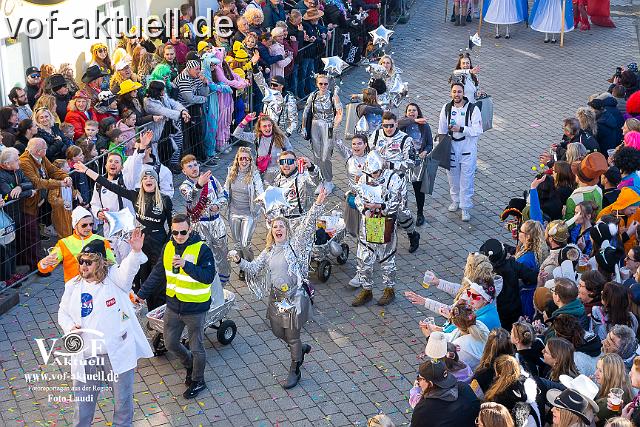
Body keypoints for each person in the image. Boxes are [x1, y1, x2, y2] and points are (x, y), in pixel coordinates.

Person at [231, 188, 326, 389]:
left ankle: (295, 368)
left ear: (287, 230)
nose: (279, 229)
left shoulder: (296, 244)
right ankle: (299, 348)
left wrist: (317, 204)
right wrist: (240, 261)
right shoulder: (268, 251)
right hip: (278, 297)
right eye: (275, 227)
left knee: (291, 335)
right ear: (271, 231)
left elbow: (308, 224)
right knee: (277, 331)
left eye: (282, 226)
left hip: (295, 296)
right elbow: (253, 268)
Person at [57, 231, 153, 427]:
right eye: (81, 261)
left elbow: (128, 269)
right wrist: (69, 327)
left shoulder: (115, 279)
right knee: (82, 408)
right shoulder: (73, 286)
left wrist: (135, 251)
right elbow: (62, 312)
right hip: (86, 356)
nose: (83, 266)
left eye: (88, 262)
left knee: (123, 406)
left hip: (115, 354)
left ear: (100, 262)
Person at [136, 214, 217, 399]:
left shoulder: (202, 249)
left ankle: (198, 380)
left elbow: (208, 277)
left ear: (190, 229)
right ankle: (189, 363)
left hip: (195, 308)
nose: (179, 236)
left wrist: (186, 265)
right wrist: (141, 294)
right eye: (175, 232)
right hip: (173, 306)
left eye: (183, 232)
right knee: (171, 343)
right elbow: (158, 273)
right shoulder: (168, 246)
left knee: (197, 347)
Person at [74, 161, 172, 309]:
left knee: (158, 280)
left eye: (151, 178)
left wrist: (168, 244)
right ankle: (152, 313)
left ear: (156, 182)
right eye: (145, 178)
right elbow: (109, 185)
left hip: (159, 243)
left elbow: (172, 225)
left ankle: (162, 311)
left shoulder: (165, 200)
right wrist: (87, 170)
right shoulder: (136, 195)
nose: (148, 180)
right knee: (143, 278)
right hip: (142, 243)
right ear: (141, 182)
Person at [351, 151, 404, 307]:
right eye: (370, 172)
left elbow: (397, 202)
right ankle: (366, 290)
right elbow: (358, 198)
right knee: (363, 259)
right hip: (367, 224)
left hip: (386, 222)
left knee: (387, 260)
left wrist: (381, 206)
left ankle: (389, 289)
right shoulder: (363, 178)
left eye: (375, 172)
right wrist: (365, 210)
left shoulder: (394, 179)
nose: (373, 175)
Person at [368, 112, 421, 252]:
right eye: (385, 125)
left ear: (396, 123)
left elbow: (411, 162)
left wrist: (390, 165)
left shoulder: (405, 139)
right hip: (379, 181)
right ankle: (378, 241)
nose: (388, 128)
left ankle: (412, 235)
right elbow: (370, 155)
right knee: (377, 210)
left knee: (402, 212)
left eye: (391, 125)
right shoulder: (376, 135)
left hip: (397, 181)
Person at [179, 155, 231, 287]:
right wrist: (199, 184)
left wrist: (218, 205)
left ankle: (223, 284)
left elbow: (223, 194)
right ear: (184, 171)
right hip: (199, 225)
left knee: (223, 254)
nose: (194, 168)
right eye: (189, 166)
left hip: (217, 222)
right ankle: (210, 285)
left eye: (195, 164)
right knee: (205, 257)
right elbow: (191, 197)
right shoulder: (184, 186)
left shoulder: (211, 179)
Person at [438, 82, 483, 222]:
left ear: (463, 93)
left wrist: (461, 129)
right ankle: (455, 200)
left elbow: (478, 130)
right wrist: (441, 148)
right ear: (451, 93)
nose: (456, 94)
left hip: (467, 149)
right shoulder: (446, 108)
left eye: (459, 92)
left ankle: (465, 208)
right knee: (452, 178)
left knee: (466, 180)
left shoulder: (472, 109)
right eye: (454, 91)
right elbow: (442, 129)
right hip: (451, 148)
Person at [38, 206, 116, 282]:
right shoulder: (64, 243)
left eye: (91, 224)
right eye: (84, 225)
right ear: (75, 225)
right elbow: (46, 269)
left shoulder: (101, 240)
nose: (88, 228)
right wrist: (44, 263)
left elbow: (112, 264)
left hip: (96, 286)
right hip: (74, 288)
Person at [224, 148, 264, 281]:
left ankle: (251, 266)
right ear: (237, 160)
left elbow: (260, 191)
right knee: (237, 245)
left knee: (245, 243)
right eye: (241, 158)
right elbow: (225, 190)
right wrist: (218, 202)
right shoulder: (231, 172)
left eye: (247, 158)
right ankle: (242, 266)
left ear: (250, 160)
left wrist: (261, 201)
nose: (244, 161)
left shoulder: (254, 174)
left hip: (249, 213)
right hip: (234, 213)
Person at [480, 238, 539, 329]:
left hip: (497, 312)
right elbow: (532, 277)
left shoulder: (484, 273)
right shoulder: (512, 265)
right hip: (514, 310)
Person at [301, 74, 343, 194]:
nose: (323, 86)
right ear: (317, 84)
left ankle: (328, 181)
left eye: (325, 83)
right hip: (315, 126)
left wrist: (334, 128)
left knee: (326, 155)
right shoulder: (313, 96)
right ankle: (320, 181)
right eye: (321, 83)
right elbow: (306, 111)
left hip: (329, 126)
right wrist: (304, 127)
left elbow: (339, 114)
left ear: (329, 84)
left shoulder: (333, 96)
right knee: (317, 155)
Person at [0, 147, 35, 284]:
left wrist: (20, 187)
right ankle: (7, 277)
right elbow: (9, 195)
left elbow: (29, 182)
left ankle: (12, 272)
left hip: (16, 213)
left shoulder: (17, 170)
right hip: (6, 216)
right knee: (6, 247)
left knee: (13, 245)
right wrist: (28, 192)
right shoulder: (1, 175)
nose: (19, 162)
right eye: (16, 160)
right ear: (6, 164)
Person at [410, 358, 480, 427]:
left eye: (420, 379)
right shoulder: (465, 388)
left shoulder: (423, 409)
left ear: (430, 383)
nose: (418, 381)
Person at [398, 103, 433, 227]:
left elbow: (430, 144)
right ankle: (400, 215)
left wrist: (425, 151)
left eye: (414, 110)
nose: (412, 112)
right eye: (409, 110)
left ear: (418, 112)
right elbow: (398, 122)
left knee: (418, 190)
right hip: (403, 162)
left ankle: (420, 213)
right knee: (400, 190)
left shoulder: (424, 127)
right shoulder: (403, 125)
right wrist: (414, 120)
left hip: (418, 162)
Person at [233, 112, 293, 184]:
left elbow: (290, 152)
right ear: (260, 128)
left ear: (272, 126)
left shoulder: (281, 137)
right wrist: (245, 120)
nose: (267, 128)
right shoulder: (256, 137)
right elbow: (236, 134)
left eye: (269, 125)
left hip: (279, 172)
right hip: (261, 172)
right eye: (264, 126)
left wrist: (284, 159)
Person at [173, 60, 209, 162]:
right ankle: (187, 160)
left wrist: (204, 84)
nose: (199, 72)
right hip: (183, 109)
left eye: (199, 69)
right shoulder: (183, 78)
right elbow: (190, 98)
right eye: (196, 69)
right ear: (189, 69)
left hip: (193, 108)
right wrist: (203, 99)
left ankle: (198, 157)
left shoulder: (197, 76)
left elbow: (204, 93)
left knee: (197, 133)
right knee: (186, 137)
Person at [335, 135, 369, 240]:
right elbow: (337, 142)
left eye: (359, 143)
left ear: (365, 145)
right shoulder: (349, 155)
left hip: (367, 199)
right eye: (354, 144)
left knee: (367, 229)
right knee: (353, 228)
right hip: (353, 198)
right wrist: (334, 128)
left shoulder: (371, 158)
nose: (356, 146)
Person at [594, 353, 634, 427]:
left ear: (611, 374)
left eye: (600, 371)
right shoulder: (625, 385)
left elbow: (589, 420)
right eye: (597, 368)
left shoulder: (610, 401)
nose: (595, 373)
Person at [254, 72, 298, 138]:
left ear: (282, 86)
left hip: (278, 132)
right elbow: (260, 82)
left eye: (275, 85)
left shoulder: (288, 99)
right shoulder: (268, 94)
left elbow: (293, 119)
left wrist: (288, 132)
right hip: (264, 130)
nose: (272, 87)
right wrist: (255, 67)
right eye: (271, 84)